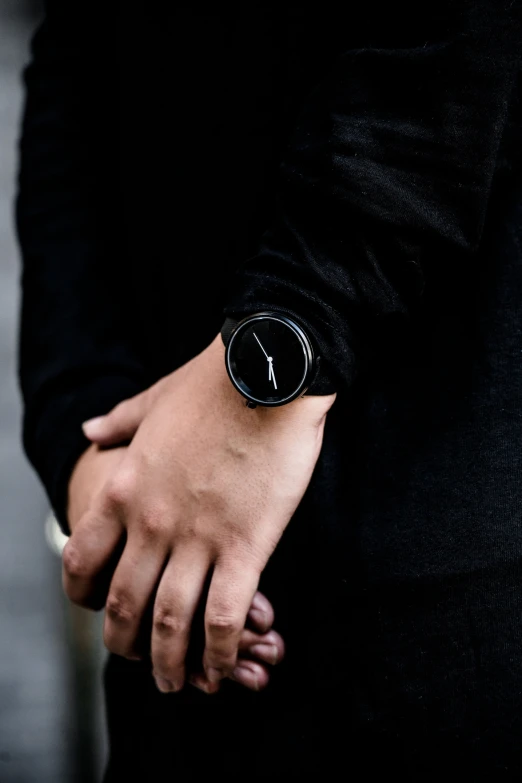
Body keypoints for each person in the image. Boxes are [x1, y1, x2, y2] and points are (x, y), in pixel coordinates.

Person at [16, 1, 522, 780]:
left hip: (453, 589)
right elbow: (75, 61)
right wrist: (88, 442)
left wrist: (296, 325)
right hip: (165, 592)